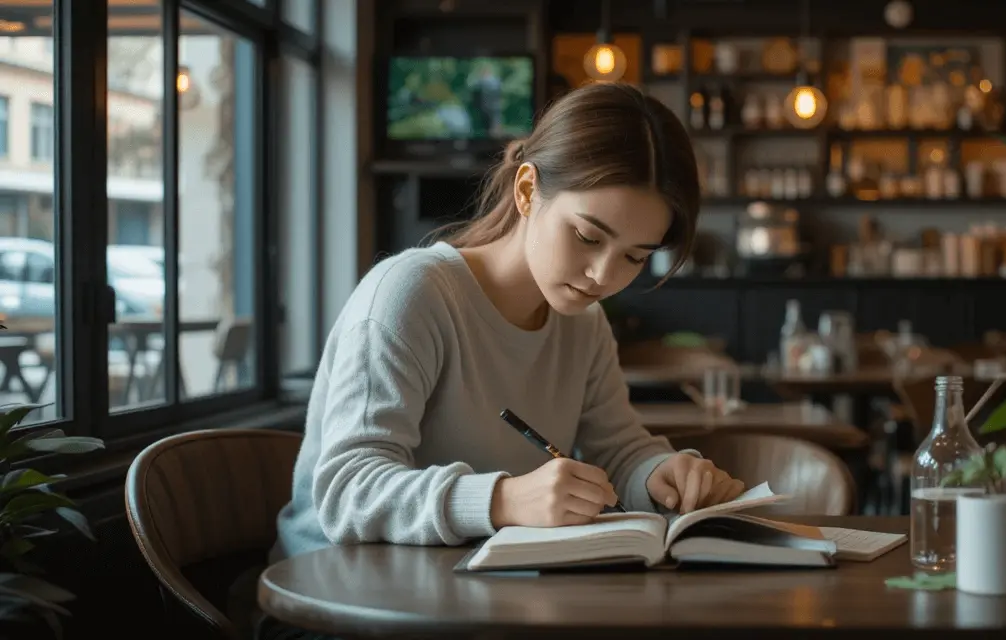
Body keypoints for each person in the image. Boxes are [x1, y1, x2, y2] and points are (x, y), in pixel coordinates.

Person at [257, 83, 747, 639]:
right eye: (587, 236)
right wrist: (504, 499)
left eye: (635, 256)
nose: (603, 276)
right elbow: (347, 491)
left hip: (472, 600)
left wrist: (660, 472)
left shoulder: (583, 323)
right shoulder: (410, 295)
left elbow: (618, 447)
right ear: (526, 189)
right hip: (338, 608)